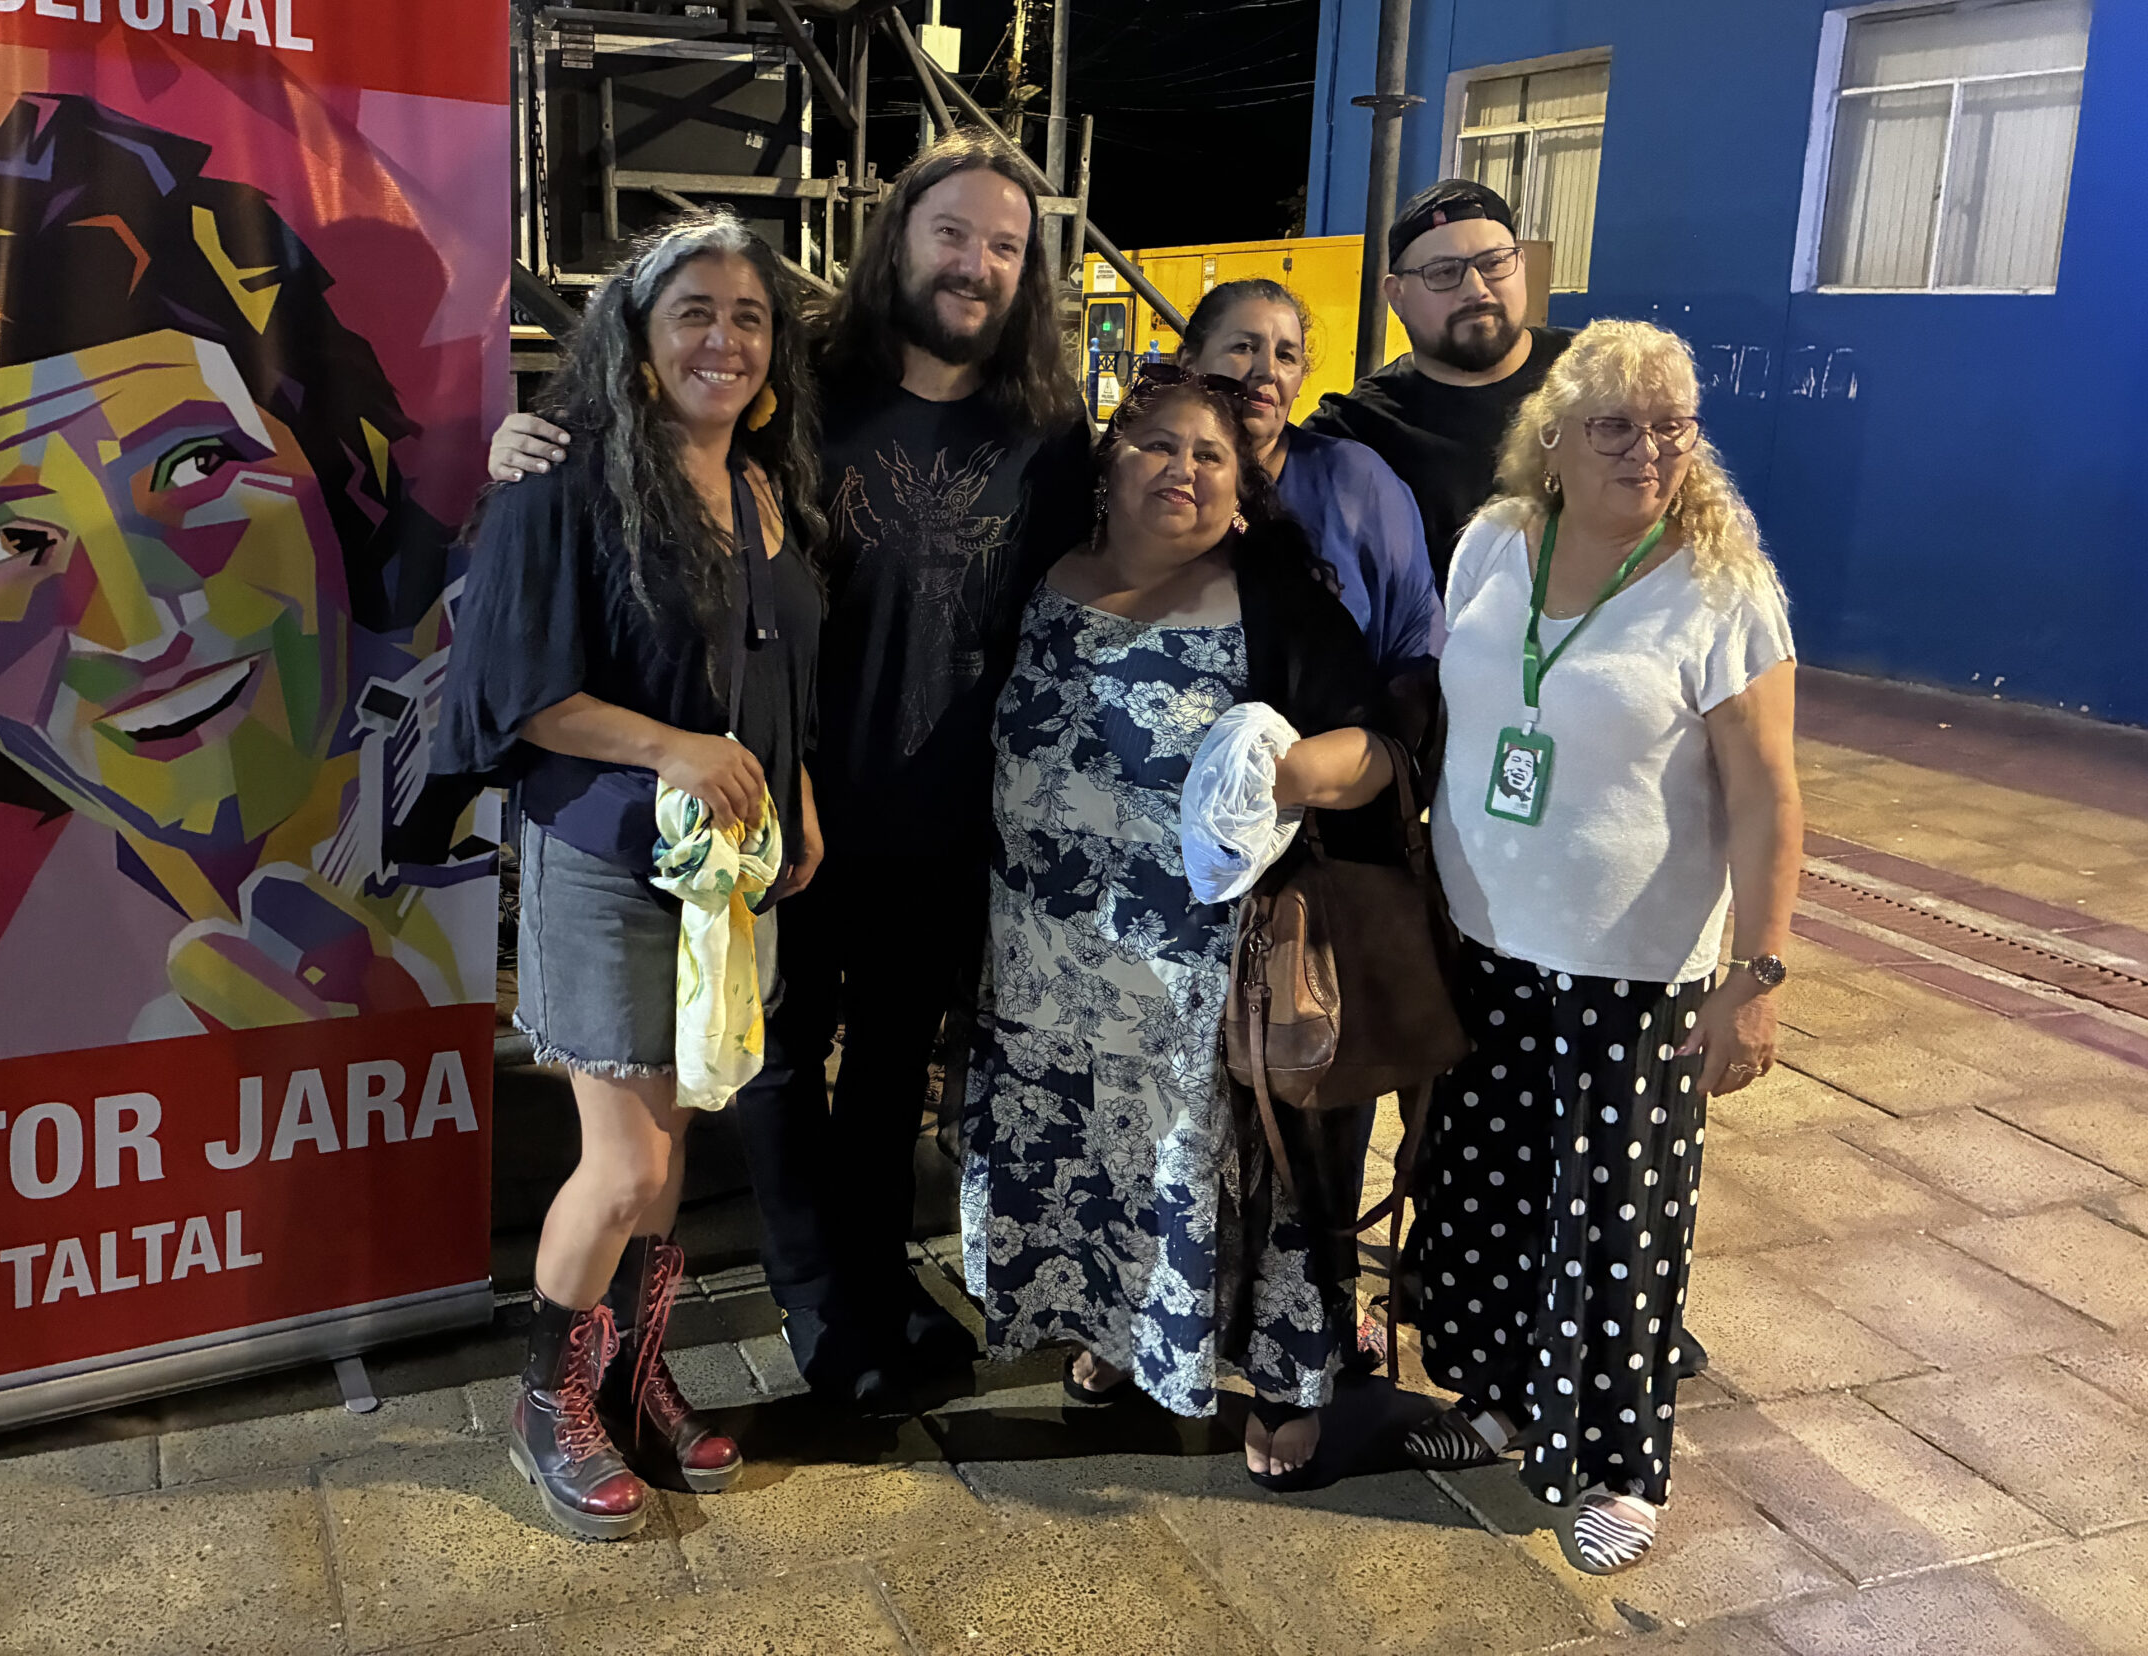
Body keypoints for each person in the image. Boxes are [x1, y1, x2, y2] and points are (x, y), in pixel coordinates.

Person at [0, 93, 493, 1060]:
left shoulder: (483, 737)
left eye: (195, 466)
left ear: (330, 461)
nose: (143, 623)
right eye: (6, 547)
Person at [490, 131, 1094, 1406]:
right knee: (770, 1068)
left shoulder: (1045, 423)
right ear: (900, 237)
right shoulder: (808, 374)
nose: (974, 264)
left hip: (940, 815)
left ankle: (876, 1293)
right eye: (951, 233)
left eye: (1002, 245)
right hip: (785, 802)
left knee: (885, 1076)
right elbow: (651, 408)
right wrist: (526, 441)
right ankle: (820, 1312)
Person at [434, 214, 826, 1540]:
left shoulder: (766, 487)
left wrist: (795, 792)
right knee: (620, 1163)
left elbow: (773, 674)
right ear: (640, 344)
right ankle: (549, 1402)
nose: (726, 337)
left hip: (722, 871)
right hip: (602, 850)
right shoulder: (566, 477)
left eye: (749, 316)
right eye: (696, 314)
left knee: (672, 1157)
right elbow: (519, 696)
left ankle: (631, 1370)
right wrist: (679, 749)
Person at [960, 370, 1417, 1488]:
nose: (1184, 470)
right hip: (1045, 965)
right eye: (1157, 446)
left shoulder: (1272, 595)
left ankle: (1285, 1381)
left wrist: (1297, 771)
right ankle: (1130, 1336)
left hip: (1199, 987)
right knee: (1094, 1163)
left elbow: (1379, 752)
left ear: (1243, 487)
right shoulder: (1037, 576)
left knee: (1240, 1180)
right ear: (1109, 466)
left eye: (1211, 455)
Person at [1398, 320, 1800, 1573]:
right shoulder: (1491, 548)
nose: (1647, 449)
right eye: (1616, 425)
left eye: (1671, 425)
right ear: (1555, 441)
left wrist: (1758, 976)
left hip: (1632, 971)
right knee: (1488, 1188)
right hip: (1482, 940)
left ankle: (1622, 1463)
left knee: (1615, 1215)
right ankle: (1503, 1397)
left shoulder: (1719, 590)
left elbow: (1770, 799)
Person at [1307, 178, 1575, 582]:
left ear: (1522, 265)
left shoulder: (1595, 374)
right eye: (1443, 272)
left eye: (1494, 262)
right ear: (1397, 297)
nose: (1476, 289)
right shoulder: (1355, 432)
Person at [1174, 277, 1441, 677]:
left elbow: (1418, 648)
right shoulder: (1146, 479)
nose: (1266, 371)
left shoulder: (1356, 482)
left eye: (1286, 356)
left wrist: (1385, 740)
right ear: (1188, 364)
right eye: (1244, 347)